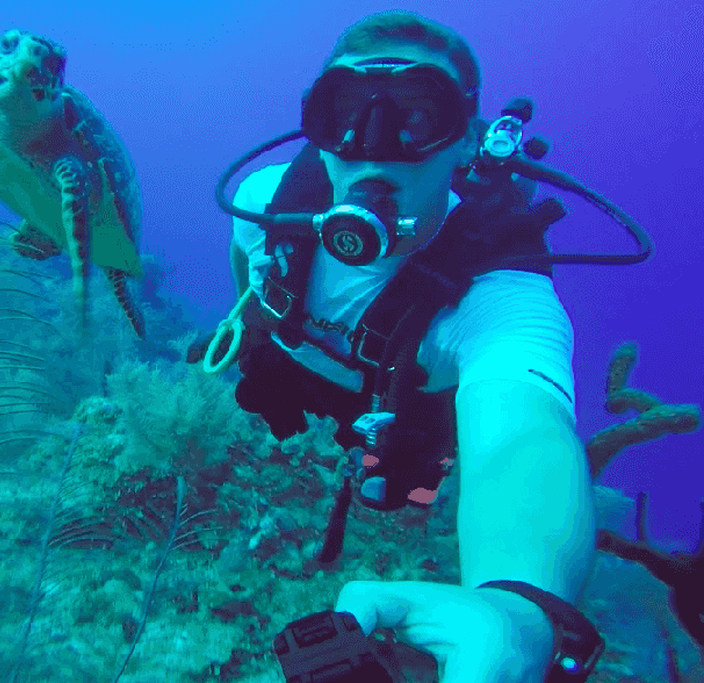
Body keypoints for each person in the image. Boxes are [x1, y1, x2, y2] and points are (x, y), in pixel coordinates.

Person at [212, 10, 601, 683]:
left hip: (404, 420)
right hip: (294, 381)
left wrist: (520, 606)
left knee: (404, 490)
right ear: (319, 125)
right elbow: (248, 280)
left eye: (418, 116)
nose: (373, 144)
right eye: (346, 112)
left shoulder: (499, 294)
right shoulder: (264, 202)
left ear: (466, 142)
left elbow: (524, 437)